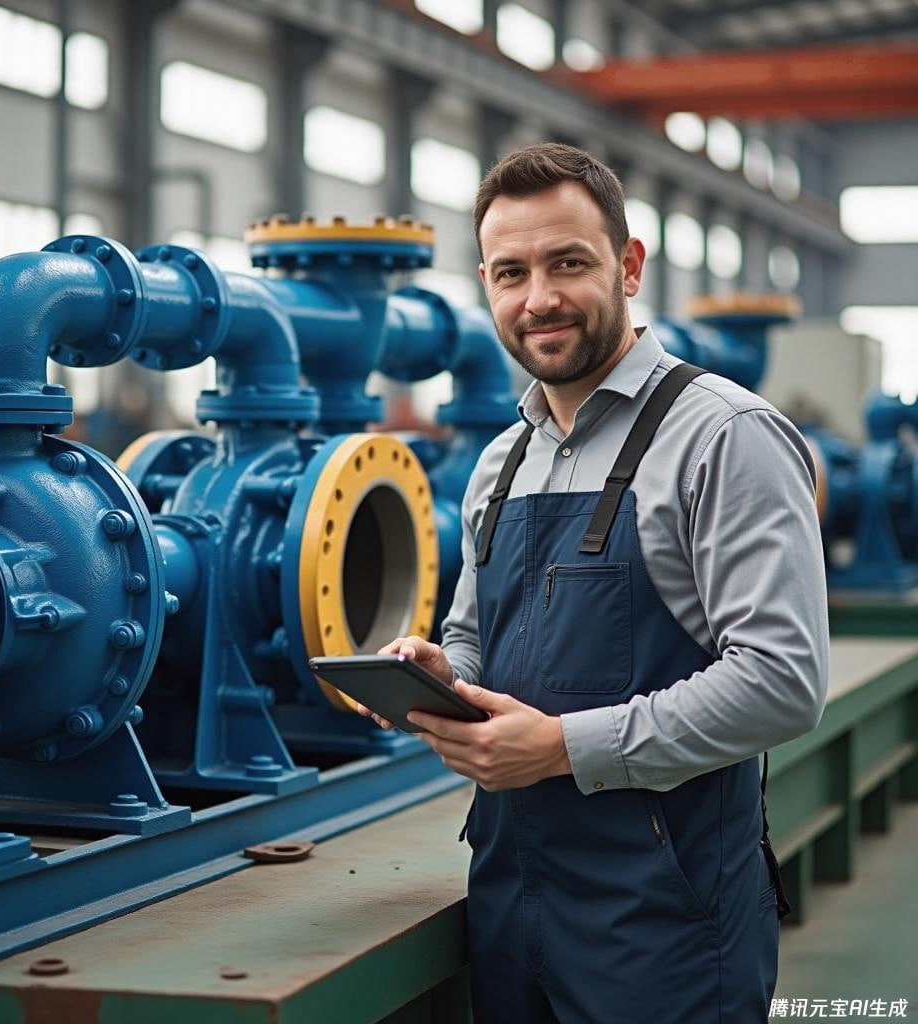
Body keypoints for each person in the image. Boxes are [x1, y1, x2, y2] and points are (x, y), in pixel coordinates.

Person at [360, 142, 829, 1023]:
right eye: (510, 273)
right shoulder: (500, 460)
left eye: (567, 263)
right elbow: (474, 636)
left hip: (665, 922)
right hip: (509, 899)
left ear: (628, 265)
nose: (538, 298)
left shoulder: (725, 437)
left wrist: (565, 746)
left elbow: (783, 682)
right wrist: (436, 672)